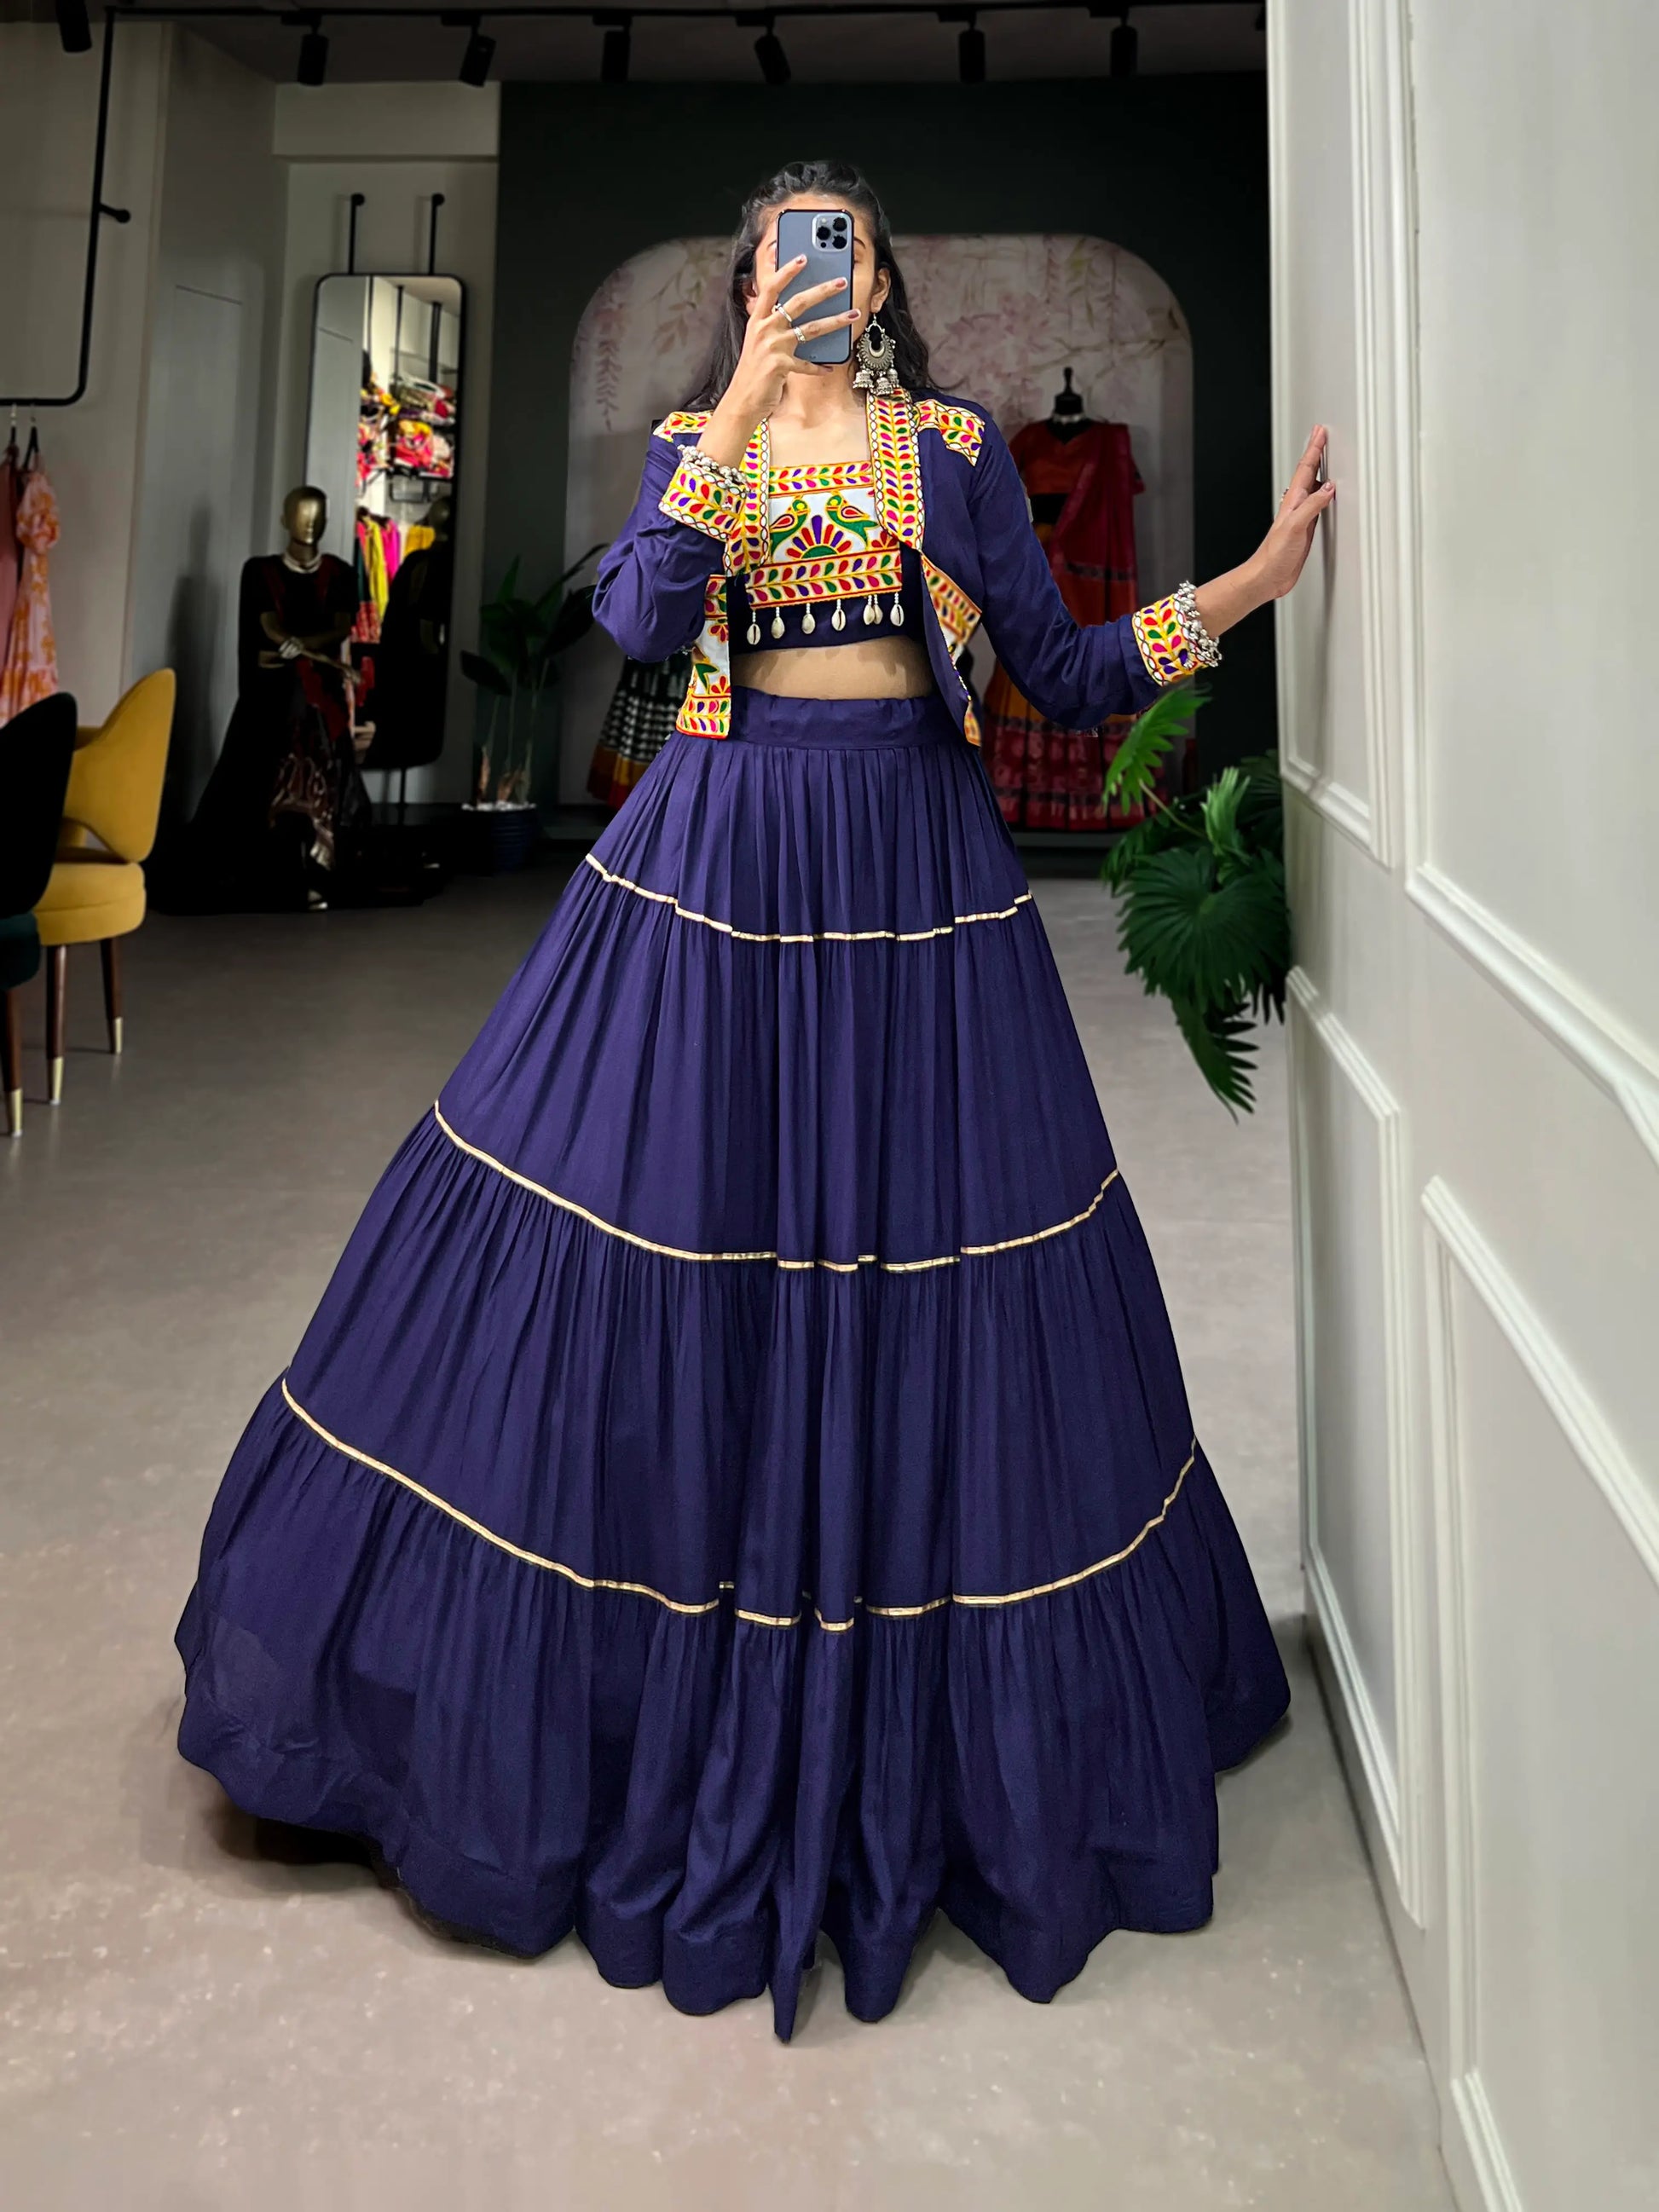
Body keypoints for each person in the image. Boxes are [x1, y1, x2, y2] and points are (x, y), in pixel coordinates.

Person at [175, 160, 1335, 2041]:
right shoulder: (690, 448)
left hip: (917, 875)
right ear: (747, 287)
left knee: (936, 1265)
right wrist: (725, 415)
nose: (820, 271)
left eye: (846, 247)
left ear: (878, 284)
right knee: (679, 1243)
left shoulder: (952, 449)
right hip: (717, 873)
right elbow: (642, 622)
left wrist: (1251, 588)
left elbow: (1057, 671)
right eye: (789, 250)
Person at [185, 488, 371, 911]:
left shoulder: (340, 573)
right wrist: (286, 645)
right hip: (272, 694)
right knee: (277, 730)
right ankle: (275, 864)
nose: (309, 522)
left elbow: (340, 626)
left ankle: (319, 860)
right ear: (285, 519)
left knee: (316, 728)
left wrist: (300, 646)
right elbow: (267, 626)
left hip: (321, 695)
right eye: (300, 513)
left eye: (317, 514)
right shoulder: (260, 572)